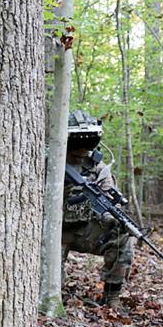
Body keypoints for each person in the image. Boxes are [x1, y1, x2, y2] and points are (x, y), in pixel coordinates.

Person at [61, 110, 135, 310]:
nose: (84, 147)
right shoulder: (50, 159)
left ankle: (112, 297)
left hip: (84, 229)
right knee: (51, 285)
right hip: (52, 232)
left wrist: (111, 217)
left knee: (121, 235)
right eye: (79, 140)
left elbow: (108, 198)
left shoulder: (98, 167)